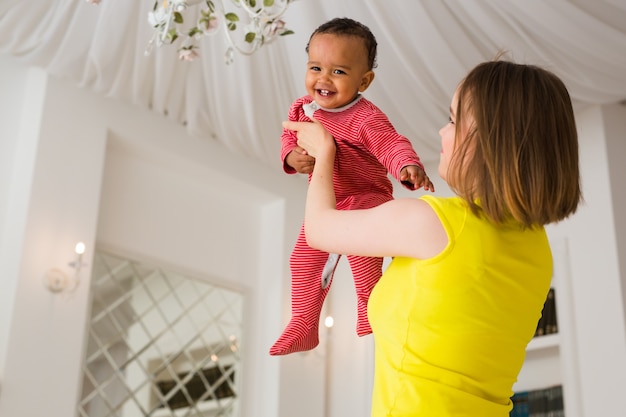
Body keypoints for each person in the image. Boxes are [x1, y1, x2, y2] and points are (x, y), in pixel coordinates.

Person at [284, 59, 582, 415]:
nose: (442, 131)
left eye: (454, 120)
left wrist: (324, 153)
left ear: (493, 138)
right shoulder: (538, 250)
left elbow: (320, 230)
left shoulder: (434, 223)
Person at [270, 17, 434, 356]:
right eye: (315, 67)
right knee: (302, 259)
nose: (323, 79)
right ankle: (303, 321)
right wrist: (291, 157)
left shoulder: (366, 117)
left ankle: (371, 309)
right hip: (327, 203)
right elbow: (289, 137)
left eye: (339, 72)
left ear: (365, 80)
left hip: (366, 198)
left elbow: (390, 143)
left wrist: (406, 165)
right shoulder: (302, 109)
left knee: (363, 258)